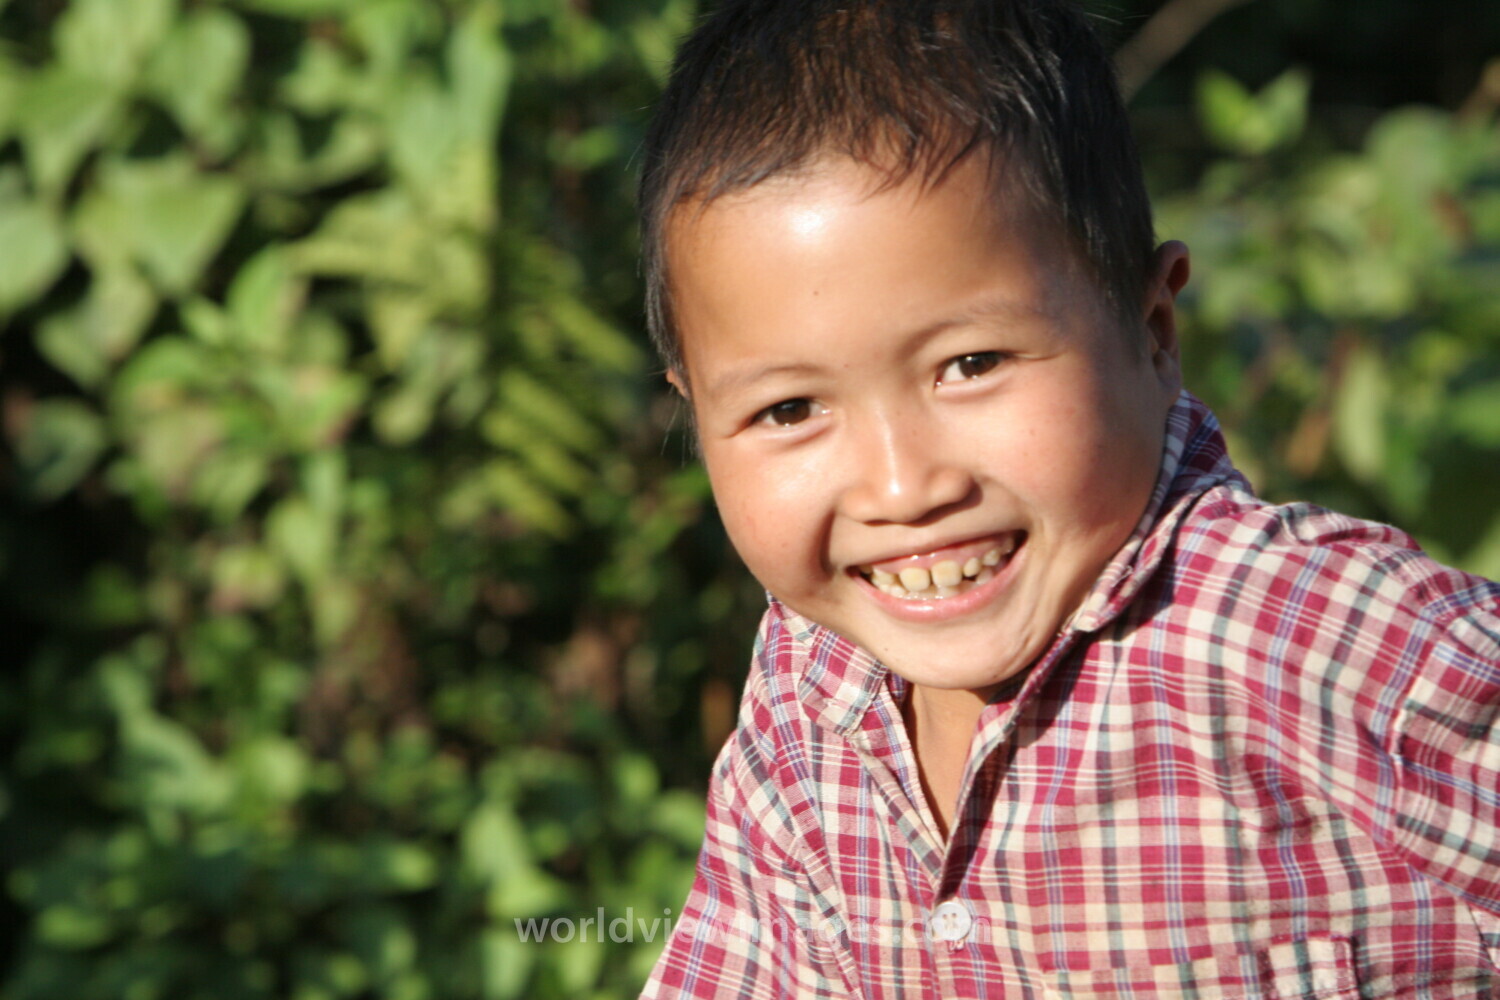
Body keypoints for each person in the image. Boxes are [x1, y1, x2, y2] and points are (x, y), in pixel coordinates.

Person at [635, 1, 1500, 996]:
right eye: (789, 409)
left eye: (972, 364)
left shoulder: (1323, 643)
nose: (903, 486)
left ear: (1154, 331)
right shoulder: (806, 691)